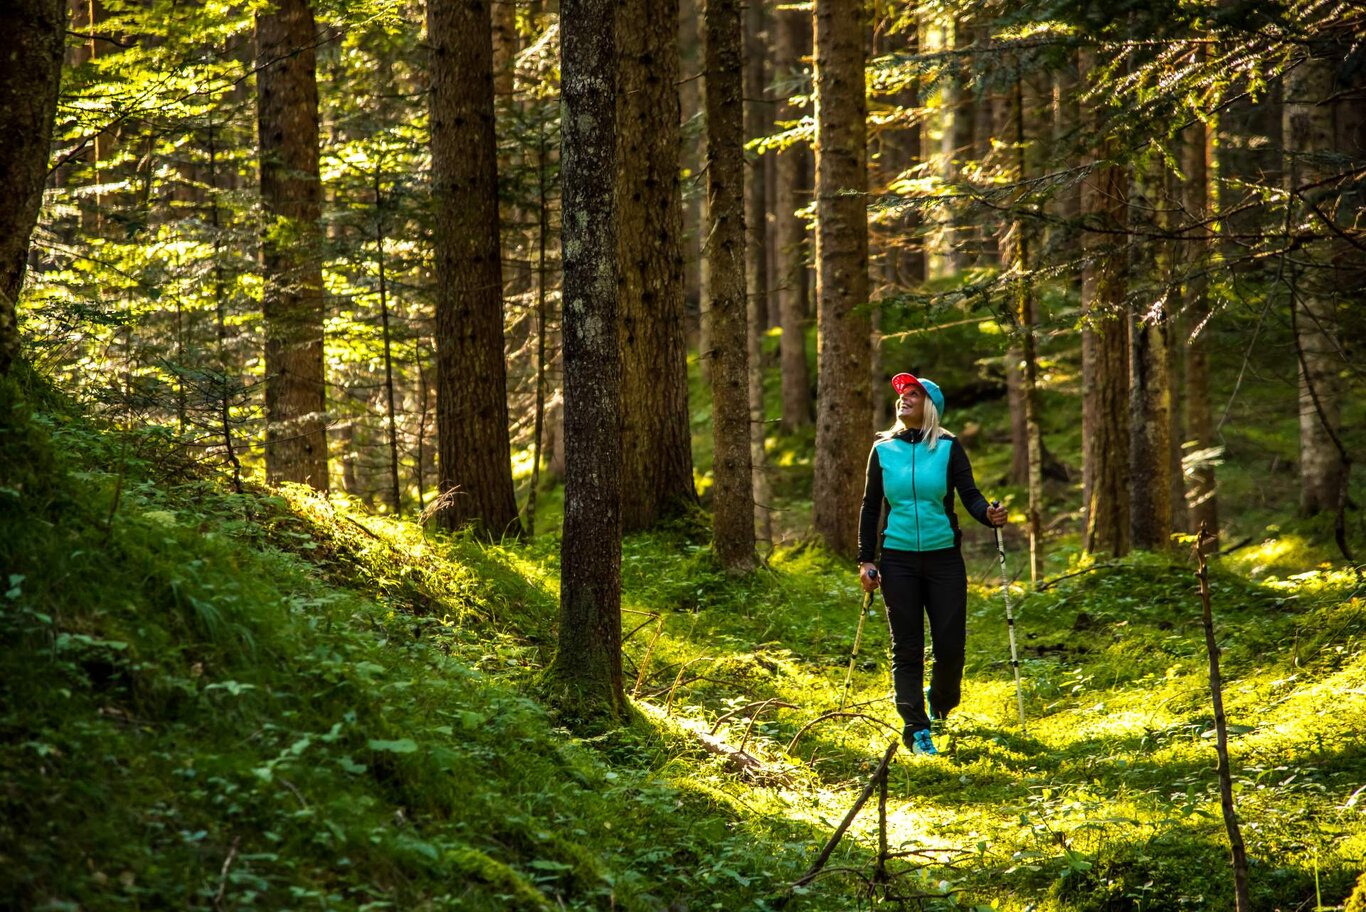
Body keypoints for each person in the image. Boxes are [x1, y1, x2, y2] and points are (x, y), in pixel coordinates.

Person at [857, 372, 1007, 756]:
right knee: (906, 647)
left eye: (913, 394)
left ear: (931, 407)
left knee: (950, 646)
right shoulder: (884, 449)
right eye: (902, 394)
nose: (903, 399)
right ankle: (915, 728)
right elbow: (871, 506)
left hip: (944, 560)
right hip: (898, 560)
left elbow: (970, 495)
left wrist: (988, 515)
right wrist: (865, 559)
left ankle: (940, 703)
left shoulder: (948, 447)